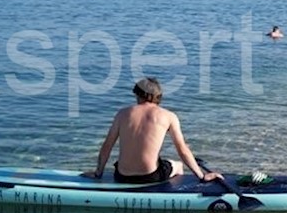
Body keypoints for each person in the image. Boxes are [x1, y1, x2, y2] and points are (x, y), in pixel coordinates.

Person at [84, 78, 223, 184]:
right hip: (150, 177)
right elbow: (182, 150)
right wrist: (202, 176)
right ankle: (170, 196)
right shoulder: (168, 116)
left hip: (121, 176)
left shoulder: (122, 114)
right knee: (178, 166)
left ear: (138, 95)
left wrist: (98, 173)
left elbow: (107, 146)